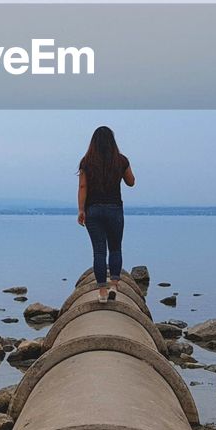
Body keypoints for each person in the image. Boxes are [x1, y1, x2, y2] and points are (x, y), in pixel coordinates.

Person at [77, 125, 135, 303]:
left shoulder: (86, 161)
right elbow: (131, 182)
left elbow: (82, 187)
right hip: (114, 209)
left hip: (93, 210)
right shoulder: (121, 160)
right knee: (115, 248)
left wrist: (81, 210)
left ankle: (102, 291)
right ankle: (114, 285)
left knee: (99, 252)